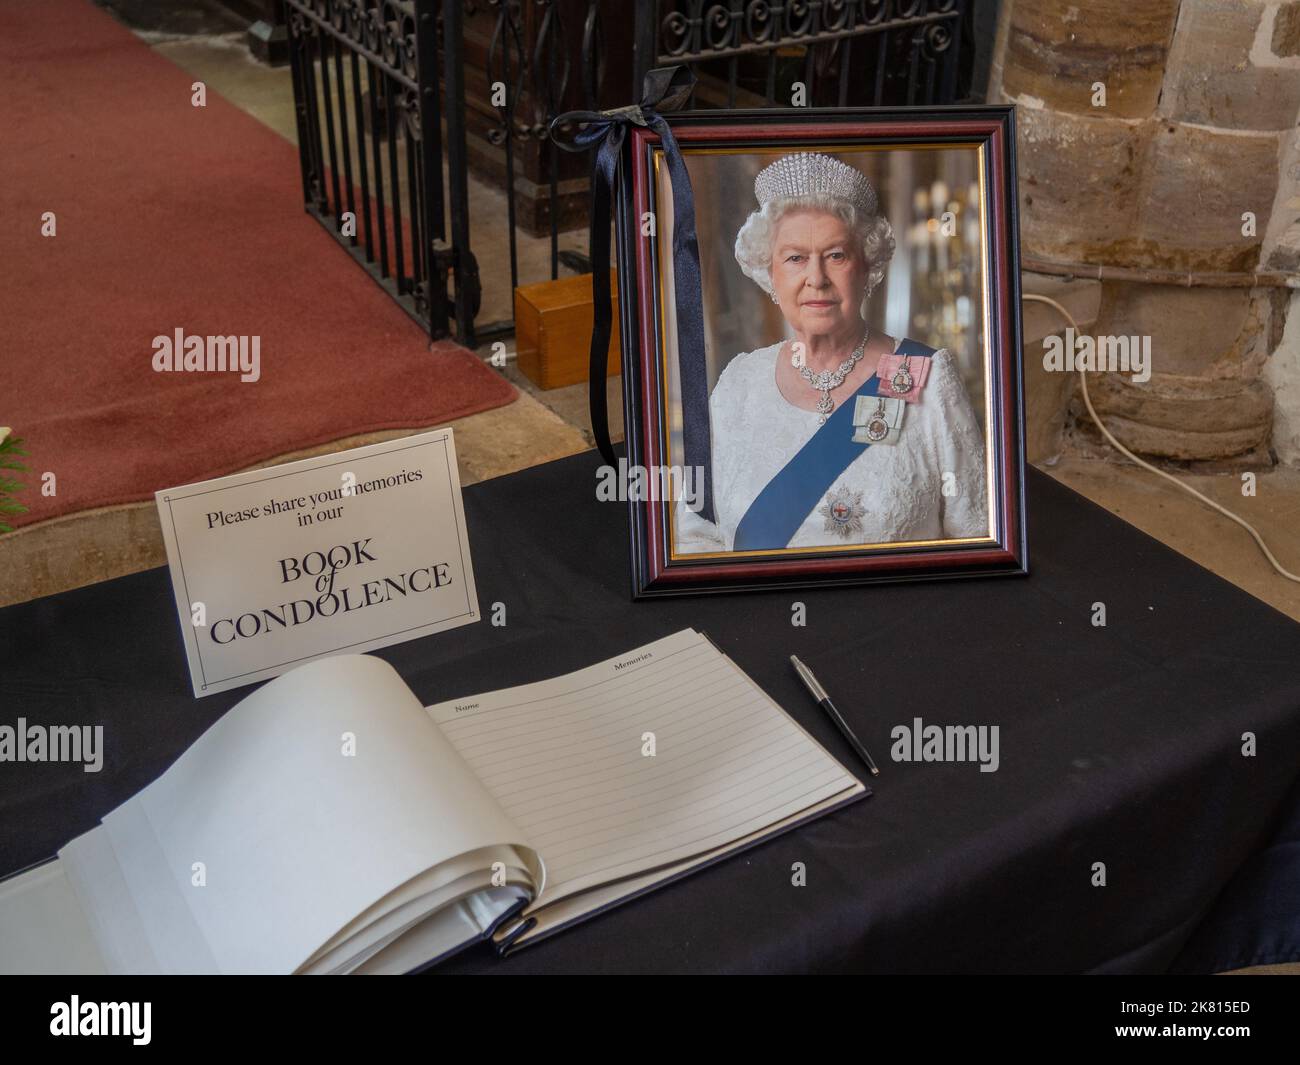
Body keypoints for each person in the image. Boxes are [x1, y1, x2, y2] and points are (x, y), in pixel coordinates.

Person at [675, 151, 987, 553]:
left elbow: (975, 537)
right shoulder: (738, 382)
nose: (816, 279)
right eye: (795, 259)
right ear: (771, 273)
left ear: (867, 266)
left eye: (836, 255)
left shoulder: (924, 376)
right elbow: (696, 532)